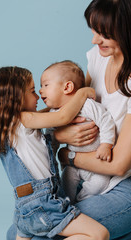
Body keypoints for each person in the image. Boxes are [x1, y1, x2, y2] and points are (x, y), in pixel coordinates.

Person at [6, 0, 131, 239]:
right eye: (93, 30)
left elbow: (118, 165)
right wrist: (61, 136)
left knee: (42, 233)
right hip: (88, 177)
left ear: (129, 30)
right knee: (18, 232)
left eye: (104, 34)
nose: (94, 40)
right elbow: (78, 111)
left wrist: (67, 155)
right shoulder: (99, 57)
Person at [0, 66, 109, 240]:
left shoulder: (7, 127)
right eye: (32, 91)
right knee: (99, 234)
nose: (38, 96)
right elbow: (62, 117)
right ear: (15, 98)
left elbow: (51, 114)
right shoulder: (23, 120)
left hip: (24, 209)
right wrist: (81, 94)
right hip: (44, 204)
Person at [40, 60, 116, 204]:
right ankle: (67, 203)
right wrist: (51, 157)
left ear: (67, 87)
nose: (40, 90)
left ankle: (81, 200)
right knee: (66, 185)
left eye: (46, 85)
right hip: (72, 167)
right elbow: (50, 138)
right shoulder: (54, 113)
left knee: (100, 184)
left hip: (96, 163)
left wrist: (106, 144)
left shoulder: (87, 105)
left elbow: (106, 120)